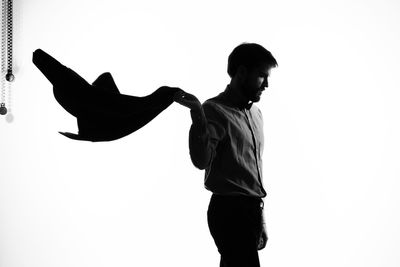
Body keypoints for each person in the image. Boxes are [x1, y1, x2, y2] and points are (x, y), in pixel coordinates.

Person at [174, 43, 278, 267]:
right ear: (241, 73)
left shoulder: (257, 114)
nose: (267, 85)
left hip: (251, 211)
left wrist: (260, 220)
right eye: (261, 76)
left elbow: (251, 173)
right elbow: (201, 161)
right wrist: (198, 118)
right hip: (229, 212)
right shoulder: (213, 110)